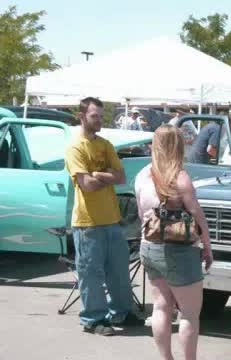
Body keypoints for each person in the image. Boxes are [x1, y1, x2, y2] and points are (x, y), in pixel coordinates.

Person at [64, 97, 143, 336]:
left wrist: (97, 174)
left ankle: (121, 311)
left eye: (101, 115)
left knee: (118, 270)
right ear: (81, 117)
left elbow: (120, 177)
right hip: (87, 222)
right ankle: (93, 319)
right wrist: (103, 175)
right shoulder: (75, 147)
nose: (99, 120)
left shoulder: (106, 144)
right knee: (91, 272)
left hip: (111, 218)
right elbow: (85, 185)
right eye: (94, 116)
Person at [135, 125, 212, 360]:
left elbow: (141, 215)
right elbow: (197, 215)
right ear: (178, 146)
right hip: (179, 251)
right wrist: (207, 246)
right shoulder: (180, 178)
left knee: (161, 307)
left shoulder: (142, 175)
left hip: (149, 247)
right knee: (189, 314)